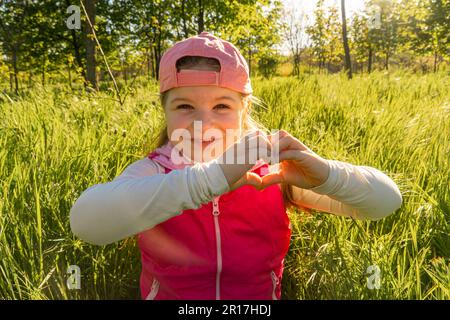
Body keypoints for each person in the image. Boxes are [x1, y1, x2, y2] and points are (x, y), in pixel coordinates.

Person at [69, 31, 402, 300]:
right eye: (184, 106)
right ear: (165, 112)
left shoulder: (270, 172)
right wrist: (209, 180)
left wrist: (326, 176)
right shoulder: (156, 170)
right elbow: (87, 223)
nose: (204, 121)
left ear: (244, 111)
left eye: (222, 106)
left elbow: (386, 202)